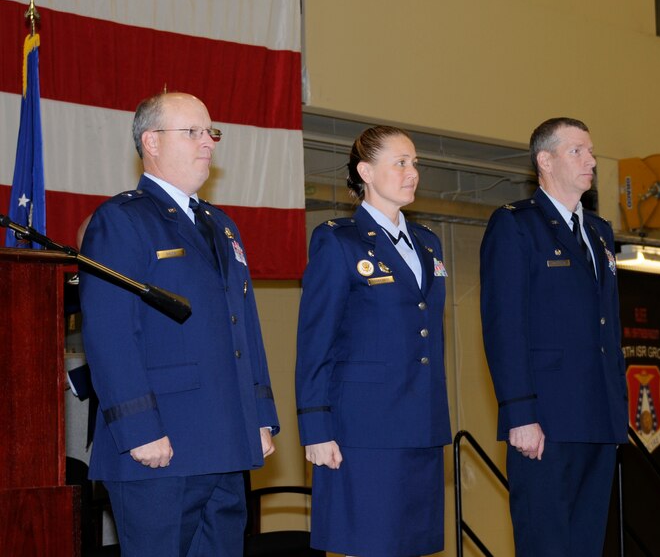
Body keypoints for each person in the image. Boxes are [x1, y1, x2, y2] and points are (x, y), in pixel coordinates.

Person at [79, 92, 279, 557]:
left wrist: (261, 416)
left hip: (227, 441)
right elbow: (110, 335)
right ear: (151, 141)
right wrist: (139, 429)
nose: (207, 142)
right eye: (192, 132)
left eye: (211, 132)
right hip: (160, 446)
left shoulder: (222, 225)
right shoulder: (123, 219)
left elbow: (243, 328)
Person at [295, 125, 451, 557]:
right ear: (365, 171)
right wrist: (315, 427)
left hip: (421, 423)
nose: (412, 172)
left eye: (415, 162)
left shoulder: (428, 244)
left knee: (413, 548)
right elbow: (315, 341)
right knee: (370, 546)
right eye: (400, 162)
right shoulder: (337, 241)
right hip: (363, 430)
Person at [480, 117, 628, 556]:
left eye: (592, 152)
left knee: (586, 544)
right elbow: (503, 325)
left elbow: (608, 324)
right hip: (545, 419)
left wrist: (616, 405)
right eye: (577, 151)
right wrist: (518, 412)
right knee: (546, 543)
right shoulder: (516, 225)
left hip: (598, 414)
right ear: (545, 161)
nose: (592, 161)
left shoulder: (599, 231)